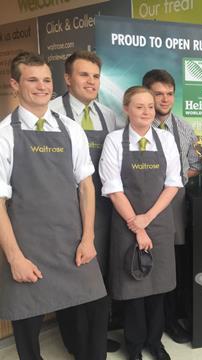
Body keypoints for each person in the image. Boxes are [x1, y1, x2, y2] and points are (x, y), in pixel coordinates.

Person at [0, 52, 107, 360]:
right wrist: (15, 258)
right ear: (15, 84)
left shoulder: (71, 129)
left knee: (97, 307)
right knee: (27, 319)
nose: (42, 86)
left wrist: (88, 238)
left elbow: (86, 186)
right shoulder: (5, 135)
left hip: (73, 241)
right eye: (32, 80)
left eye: (46, 79)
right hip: (27, 246)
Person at [99, 86, 182, 360]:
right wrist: (137, 225)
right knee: (133, 289)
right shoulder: (114, 141)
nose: (146, 111)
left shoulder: (166, 140)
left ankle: (155, 342)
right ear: (126, 109)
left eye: (150, 106)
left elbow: (172, 184)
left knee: (157, 288)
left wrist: (147, 220)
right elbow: (113, 188)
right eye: (139, 106)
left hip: (158, 223)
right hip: (126, 224)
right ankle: (134, 346)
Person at [49, 50, 121, 353]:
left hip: (101, 210)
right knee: (71, 276)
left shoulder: (108, 115)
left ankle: (95, 338)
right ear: (67, 79)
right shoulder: (51, 113)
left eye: (95, 76)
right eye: (83, 75)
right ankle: (76, 343)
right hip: (64, 209)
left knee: (98, 276)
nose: (91, 82)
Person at [142, 69, 201, 344]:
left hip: (176, 208)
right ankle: (146, 325)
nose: (164, 99)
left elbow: (197, 165)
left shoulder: (185, 128)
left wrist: (174, 179)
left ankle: (171, 319)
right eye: (158, 94)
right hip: (143, 208)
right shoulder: (137, 127)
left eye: (169, 94)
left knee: (173, 265)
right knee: (148, 266)